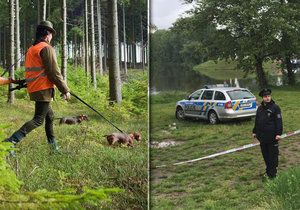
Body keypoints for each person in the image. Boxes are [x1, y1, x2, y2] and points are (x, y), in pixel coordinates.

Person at [4, 20, 70, 153]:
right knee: (38, 120)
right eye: (51, 33)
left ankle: (53, 147)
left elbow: (35, 71)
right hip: (43, 88)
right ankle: (9, 143)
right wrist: (65, 90)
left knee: (49, 116)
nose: (52, 36)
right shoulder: (46, 48)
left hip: (35, 88)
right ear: (47, 34)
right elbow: (54, 72)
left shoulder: (32, 48)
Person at [252, 88, 283, 179]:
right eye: (265, 96)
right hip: (262, 137)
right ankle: (268, 172)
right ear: (262, 98)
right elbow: (257, 121)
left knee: (273, 156)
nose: (267, 98)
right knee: (266, 156)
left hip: (272, 137)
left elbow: (279, 121)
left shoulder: (275, 108)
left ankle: (273, 174)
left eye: (269, 96)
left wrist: (278, 133)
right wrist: (254, 131)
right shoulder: (260, 108)